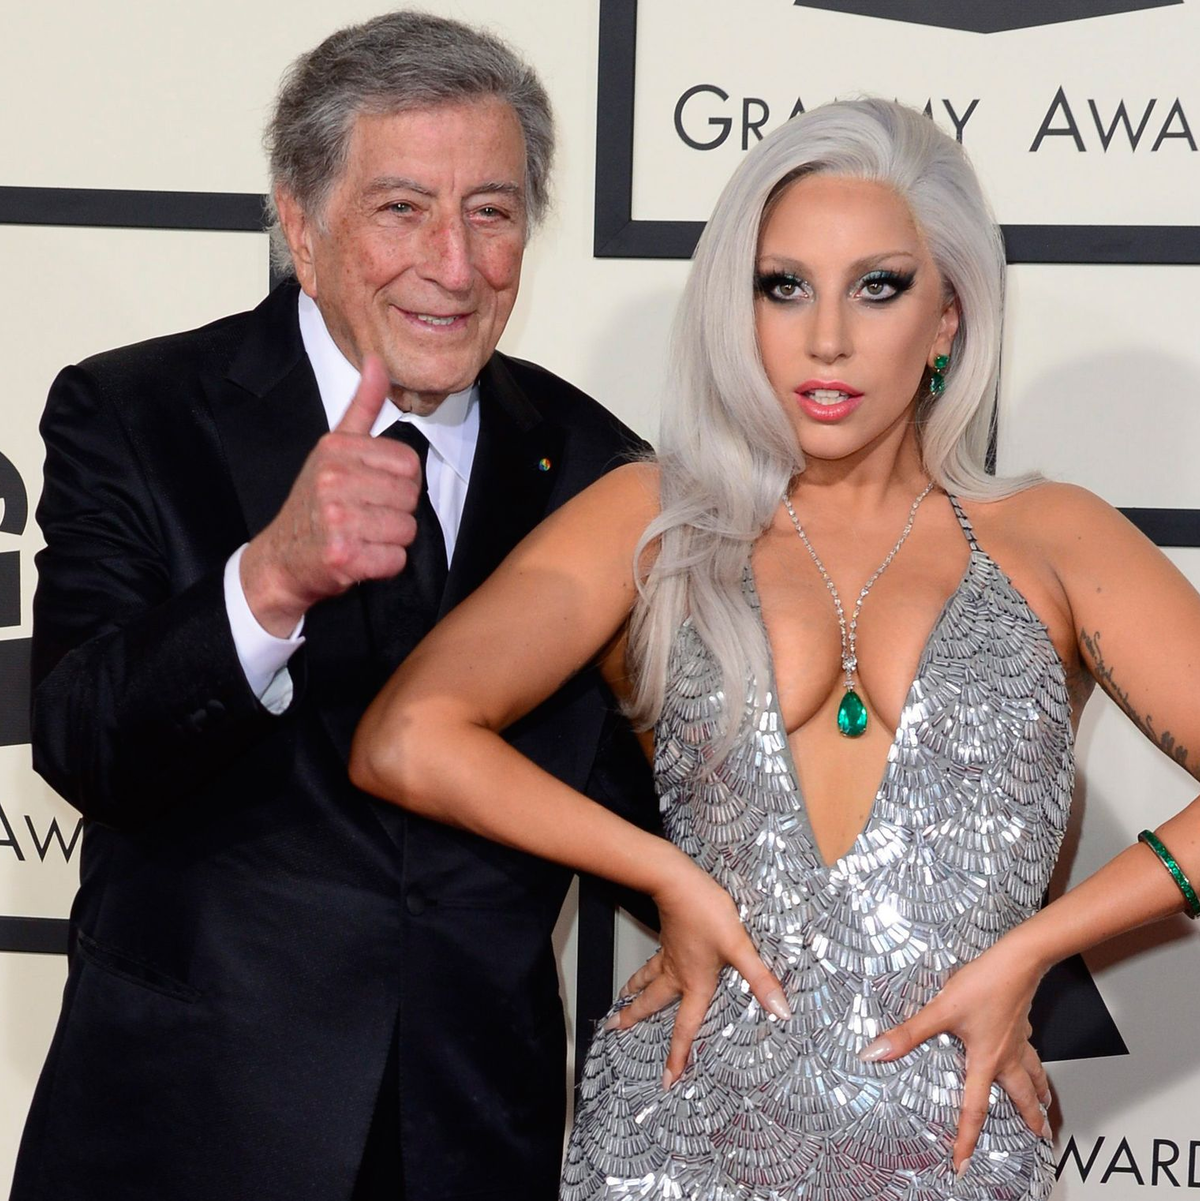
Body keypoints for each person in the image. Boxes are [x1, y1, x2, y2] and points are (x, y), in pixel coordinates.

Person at [351, 96, 1200, 1200]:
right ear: (737, 308)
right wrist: (658, 868)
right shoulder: (653, 520)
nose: (828, 336)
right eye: (783, 286)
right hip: (675, 1137)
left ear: (948, 317)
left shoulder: (1052, 538)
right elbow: (407, 737)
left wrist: (1034, 948)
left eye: (879, 287)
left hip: (947, 1140)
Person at [12, 12, 654, 1201]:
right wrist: (270, 579)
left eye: (493, 211)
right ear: (300, 224)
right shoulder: (138, 412)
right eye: (402, 209)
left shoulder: (599, 466)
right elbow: (81, 739)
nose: (454, 265)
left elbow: (653, 799)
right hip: (183, 1136)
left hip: (472, 1139)